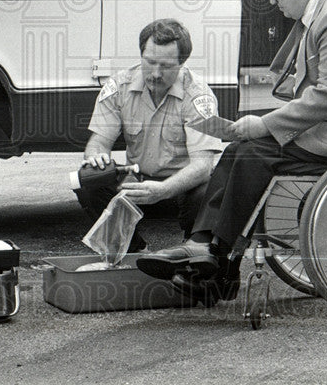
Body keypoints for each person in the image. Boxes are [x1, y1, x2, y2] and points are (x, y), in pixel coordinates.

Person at [136, 0, 327, 301]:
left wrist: (265, 123)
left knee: (252, 153)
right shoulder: (324, 11)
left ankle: (215, 258)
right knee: (243, 149)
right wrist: (263, 124)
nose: (274, 3)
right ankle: (209, 254)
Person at [75, 18, 223, 253]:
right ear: (141, 54)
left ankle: (191, 253)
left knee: (210, 189)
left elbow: (203, 166)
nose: (155, 73)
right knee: (88, 179)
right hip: (138, 180)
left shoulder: (198, 96)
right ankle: (135, 251)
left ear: (182, 63)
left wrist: (163, 190)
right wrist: (96, 157)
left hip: (183, 185)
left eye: (165, 66)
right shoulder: (119, 87)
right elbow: (98, 143)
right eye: (150, 62)